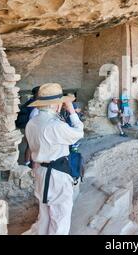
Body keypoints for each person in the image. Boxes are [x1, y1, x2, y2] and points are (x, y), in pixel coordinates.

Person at [25, 83, 84, 235]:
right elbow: (78, 133)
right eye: (60, 102)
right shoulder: (55, 126)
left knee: (44, 216)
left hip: (40, 171)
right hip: (57, 175)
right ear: (54, 105)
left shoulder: (31, 123)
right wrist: (71, 110)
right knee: (60, 217)